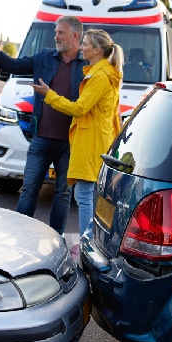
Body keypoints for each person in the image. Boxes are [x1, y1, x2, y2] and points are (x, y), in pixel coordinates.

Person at [0, 16, 86, 235]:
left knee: (63, 194)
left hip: (70, 141)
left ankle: (56, 237)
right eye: (55, 32)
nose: (55, 36)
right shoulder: (44, 57)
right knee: (28, 190)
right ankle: (21, 235)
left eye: (60, 33)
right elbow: (14, 66)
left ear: (75, 36)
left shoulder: (88, 65)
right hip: (42, 138)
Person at [30, 29, 123, 238]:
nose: (81, 47)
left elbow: (80, 108)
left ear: (97, 50)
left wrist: (49, 95)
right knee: (90, 195)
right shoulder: (104, 72)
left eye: (85, 44)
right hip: (98, 139)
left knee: (84, 195)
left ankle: (87, 243)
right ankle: (91, 240)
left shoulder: (100, 76)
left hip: (91, 142)